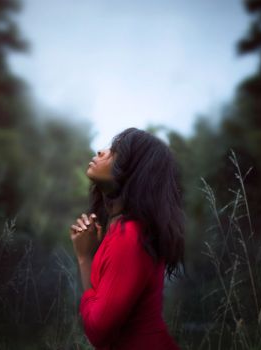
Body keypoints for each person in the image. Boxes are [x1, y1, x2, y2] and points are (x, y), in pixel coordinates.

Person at [69, 127, 184, 349]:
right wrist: (88, 256)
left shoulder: (129, 236)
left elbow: (98, 331)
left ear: (135, 171)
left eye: (116, 152)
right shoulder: (125, 231)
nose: (101, 152)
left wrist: (84, 258)